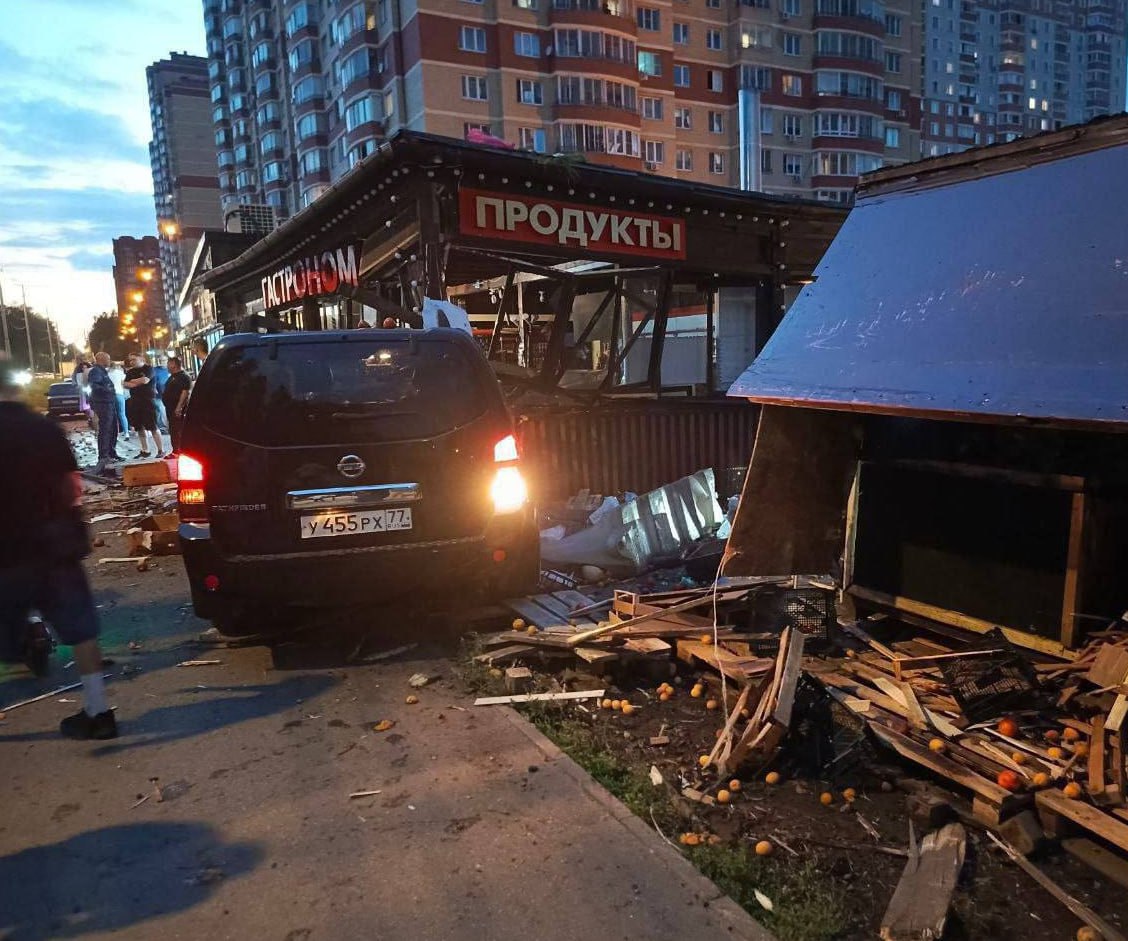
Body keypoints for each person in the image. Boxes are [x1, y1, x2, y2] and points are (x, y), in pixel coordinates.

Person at [0, 353, 117, 739]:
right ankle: (99, 711)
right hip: (55, 545)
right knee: (80, 631)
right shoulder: (44, 429)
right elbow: (71, 488)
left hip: (7, 553)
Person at [85, 352, 120, 473]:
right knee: (106, 429)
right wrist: (108, 390)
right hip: (103, 403)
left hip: (108, 402)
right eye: (108, 358)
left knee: (113, 428)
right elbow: (94, 385)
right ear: (101, 359)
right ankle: (104, 456)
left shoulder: (102, 371)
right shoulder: (96, 372)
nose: (110, 361)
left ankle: (111, 452)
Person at [123, 353, 163, 458]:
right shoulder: (130, 371)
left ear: (141, 359)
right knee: (139, 427)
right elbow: (124, 384)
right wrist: (137, 382)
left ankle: (160, 450)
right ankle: (145, 450)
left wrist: (132, 382)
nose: (131, 362)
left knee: (153, 426)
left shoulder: (149, 369)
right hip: (135, 402)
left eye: (134, 359)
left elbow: (146, 380)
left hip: (148, 401)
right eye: (130, 360)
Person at [162, 356, 192, 454]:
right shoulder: (172, 376)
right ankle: (175, 450)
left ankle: (180, 451)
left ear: (173, 364)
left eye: (168, 363)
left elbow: (185, 392)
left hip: (177, 409)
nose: (167, 366)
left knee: (178, 430)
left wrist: (179, 407)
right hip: (170, 408)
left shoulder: (183, 377)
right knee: (173, 430)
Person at [108, 360, 128, 439]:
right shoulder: (120, 373)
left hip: (110, 395)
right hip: (120, 394)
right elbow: (123, 383)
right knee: (122, 414)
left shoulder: (107, 374)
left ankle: (116, 433)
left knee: (113, 415)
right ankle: (126, 433)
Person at [151, 359, 170, 433]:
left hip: (168, 393)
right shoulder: (155, 370)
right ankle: (162, 427)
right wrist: (154, 388)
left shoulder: (169, 369)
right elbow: (152, 380)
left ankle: (162, 427)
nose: (162, 362)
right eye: (161, 360)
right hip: (158, 394)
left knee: (161, 411)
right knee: (161, 410)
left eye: (164, 360)